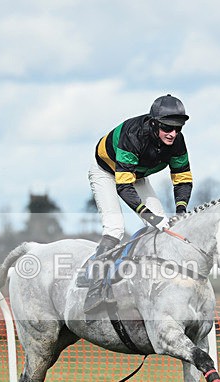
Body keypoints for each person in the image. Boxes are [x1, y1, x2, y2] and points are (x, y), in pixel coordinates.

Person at [80, 94, 194, 312]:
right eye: (167, 128)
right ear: (153, 123)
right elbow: (123, 186)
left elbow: (183, 178)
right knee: (115, 229)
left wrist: (181, 210)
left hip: (136, 175)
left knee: (164, 229)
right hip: (106, 172)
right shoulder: (133, 136)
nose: (173, 134)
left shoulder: (177, 141)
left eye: (178, 129)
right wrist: (150, 216)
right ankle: (94, 291)